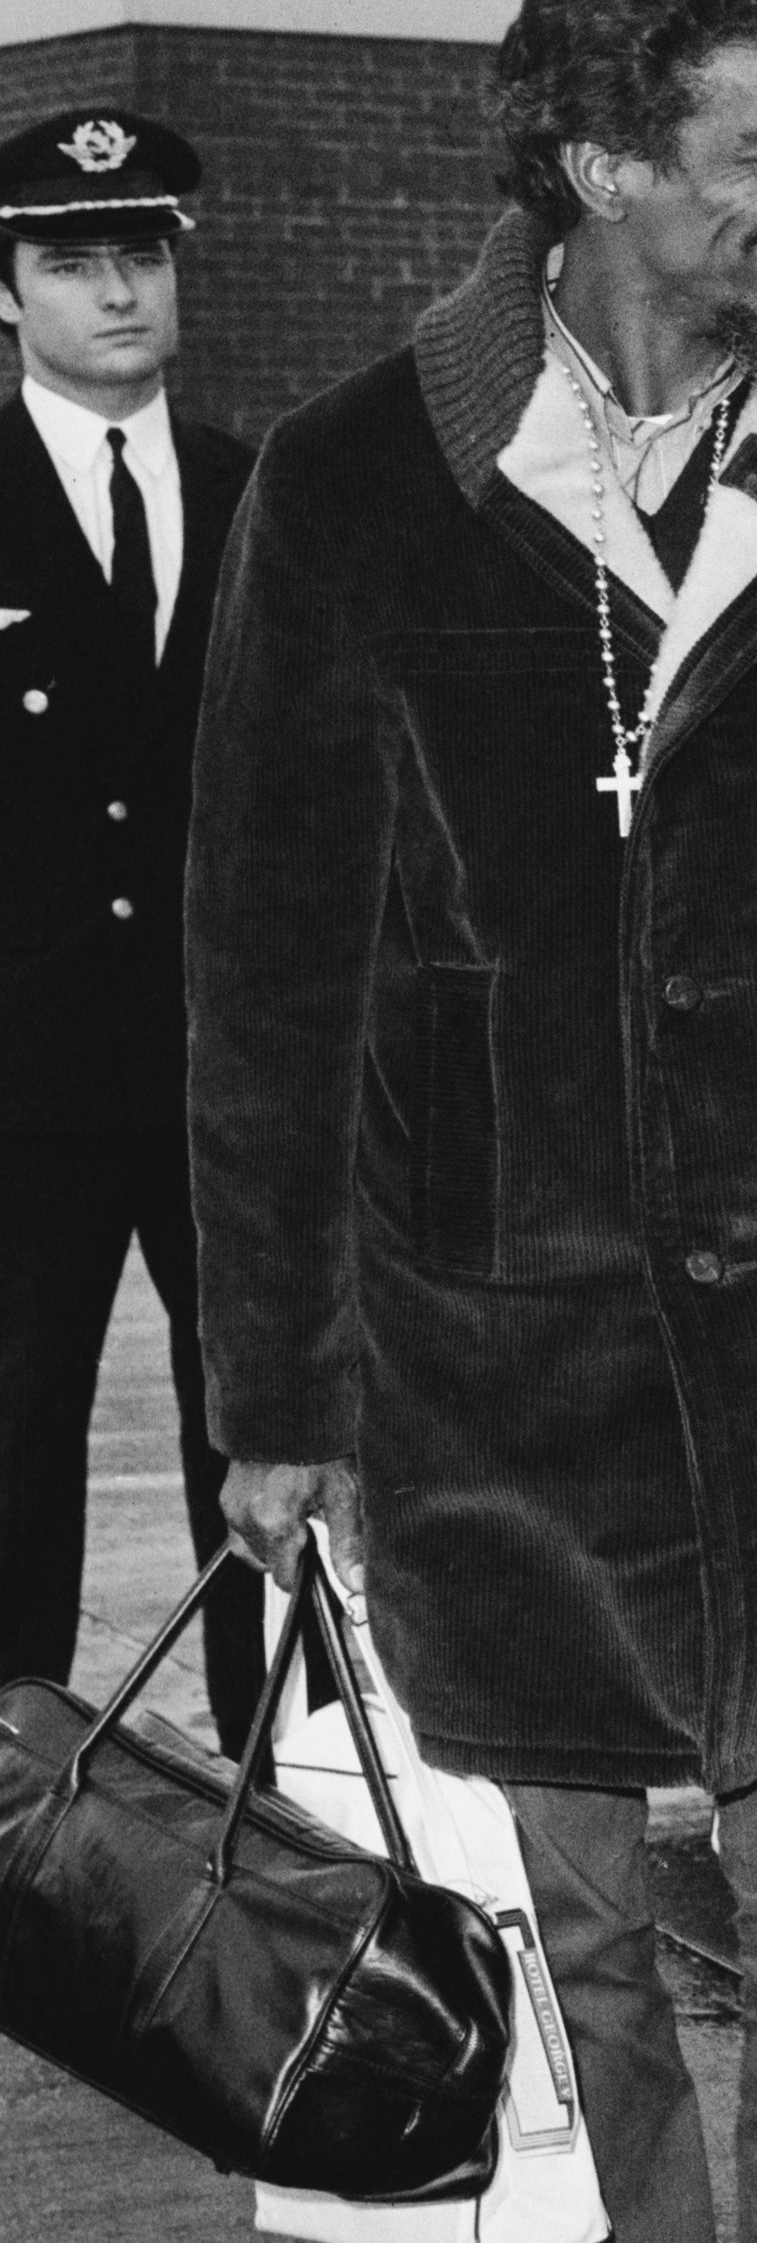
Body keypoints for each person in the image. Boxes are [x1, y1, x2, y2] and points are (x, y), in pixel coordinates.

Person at [192, 0, 757, 2243]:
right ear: (591, 157)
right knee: (577, 1934)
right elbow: (270, 968)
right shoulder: (358, 482)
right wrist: (277, 1395)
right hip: (498, 1355)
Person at [0, 108, 260, 1754]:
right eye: (71, 261)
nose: (116, 290)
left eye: (142, 255)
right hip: (21, 1077)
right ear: (5, 293)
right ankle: (19, 1808)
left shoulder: (262, 494)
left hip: (225, 1065)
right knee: (15, 1441)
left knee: (264, 1436)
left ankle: (281, 1800)